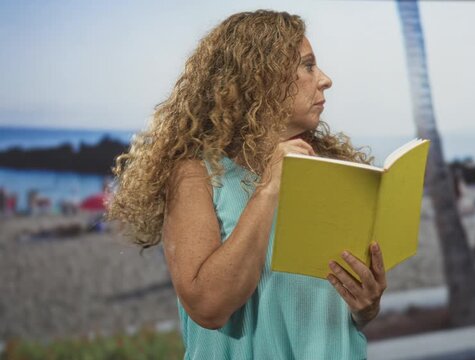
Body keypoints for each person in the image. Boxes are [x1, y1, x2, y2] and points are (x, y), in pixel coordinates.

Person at [107, 10, 387, 359]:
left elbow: (344, 313)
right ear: (261, 79)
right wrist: (269, 189)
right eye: (308, 66)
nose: (325, 79)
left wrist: (366, 305)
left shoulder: (331, 169)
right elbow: (208, 308)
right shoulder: (198, 175)